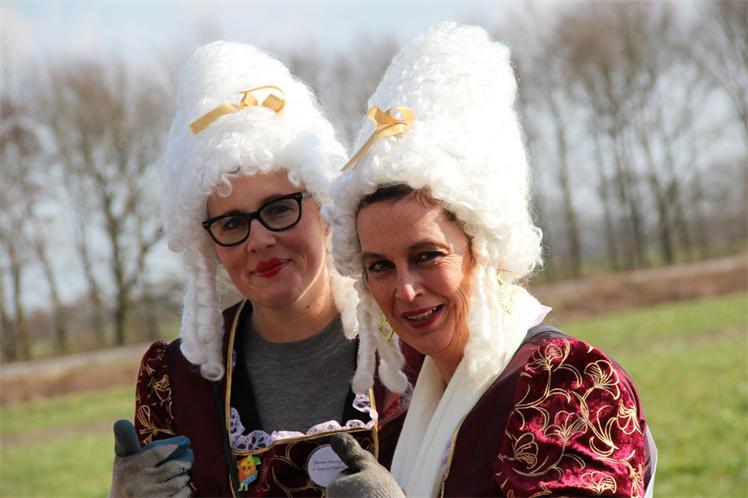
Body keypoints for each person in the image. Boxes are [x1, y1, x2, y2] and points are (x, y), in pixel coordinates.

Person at [325, 23, 657, 497]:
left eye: (427, 256)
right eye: (379, 266)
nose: (405, 289)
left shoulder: (565, 384)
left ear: (482, 247)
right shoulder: (410, 391)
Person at [109, 41, 419, 498]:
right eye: (232, 223)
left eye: (278, 209)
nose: (258, 240)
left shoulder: (412, 346)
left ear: (325, 208)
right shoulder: (176, 382)